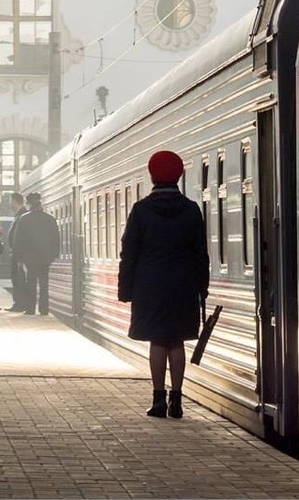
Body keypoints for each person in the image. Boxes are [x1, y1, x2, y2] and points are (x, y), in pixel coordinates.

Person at [118, 150, 209, 419]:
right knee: (177, 341)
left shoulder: (141, 210)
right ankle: (177, 400)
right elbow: (200, 253)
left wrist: (126, 289)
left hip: (150, 284)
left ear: (152, 175)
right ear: (180, 175)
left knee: (157, 341)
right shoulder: (191, 210)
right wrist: (202, 287)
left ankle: (158, 400)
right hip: (183, 284)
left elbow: (129, 252)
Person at [11, 193, 61, 316]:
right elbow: (56, 239)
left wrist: (20, 258)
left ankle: (30, 309)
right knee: (44, 284)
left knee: (31, 283)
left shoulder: (24, 219)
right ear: (40, 203)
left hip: (30, 259)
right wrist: (53, 256)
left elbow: (18, 241)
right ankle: (44, 309)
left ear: (28, 204)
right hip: (45, 259)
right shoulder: (49, 219)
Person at [5, 192, 29, 311]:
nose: (10, 204)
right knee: (17, 280)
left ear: (14, 201)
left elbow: (22, 237)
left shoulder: (22, 215)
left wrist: (20, 256)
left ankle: (20, 304)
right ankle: (18, 303)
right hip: (17, 254)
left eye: (10, 201)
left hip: (19, 255)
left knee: (19, 280)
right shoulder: (19, 215)